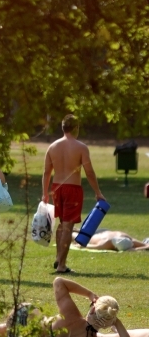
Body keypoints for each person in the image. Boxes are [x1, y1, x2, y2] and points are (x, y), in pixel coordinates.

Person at [0, 277, 148, 337]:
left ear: (93, 308)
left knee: (29, 315)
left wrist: (90, 294)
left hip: (23, 324)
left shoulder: (71, 317)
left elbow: (58, 281)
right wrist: (117, 323)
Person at [42, 114, 105, 274]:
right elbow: (89, 172)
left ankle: (59, 260)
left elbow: (46, 173)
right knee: (68, 226)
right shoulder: (81, 147)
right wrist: (98, 192)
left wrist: (45, 193)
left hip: (57, 187)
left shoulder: (52, 147)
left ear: (63, 128)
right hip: (73, 189)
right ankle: (60, 262)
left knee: (62, 224)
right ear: (76, 128)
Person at [74, 230, 149, 252]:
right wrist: (82, 245)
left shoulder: (126, 238)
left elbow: (146, 246)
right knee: (74, 235)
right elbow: (95, 247)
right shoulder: (107, 242)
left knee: (78, 232)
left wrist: (136, 248)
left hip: (104, 232)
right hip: (95, 236)